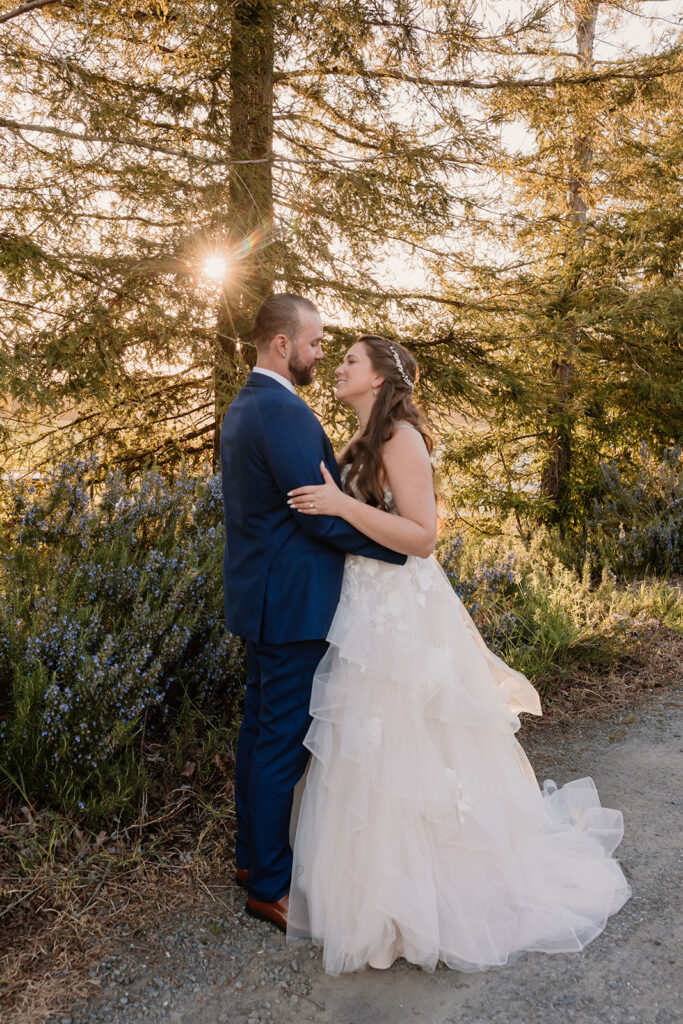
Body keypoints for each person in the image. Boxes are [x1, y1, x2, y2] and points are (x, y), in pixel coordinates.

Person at [285, 334, 631, 975]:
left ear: (381, 377)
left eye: (351, 360)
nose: (338, 367)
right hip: (363, 609)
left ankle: (433, 897)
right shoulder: (360, 444)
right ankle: (375, 897)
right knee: (366, 746)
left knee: (414, 743)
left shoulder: (402, 440)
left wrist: (337, 503)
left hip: (402, 613)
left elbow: (421, 537)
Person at [219, 296, 406, 933]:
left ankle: (250, 860)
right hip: (293, 605)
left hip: (260, 597)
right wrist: (395, 550)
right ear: (282, 345)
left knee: (256, 734)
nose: (320, 352)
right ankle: (270, 885)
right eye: (316, 342)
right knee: (278, 743)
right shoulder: (283, 412)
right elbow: (318, 512)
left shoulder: (245, 405)